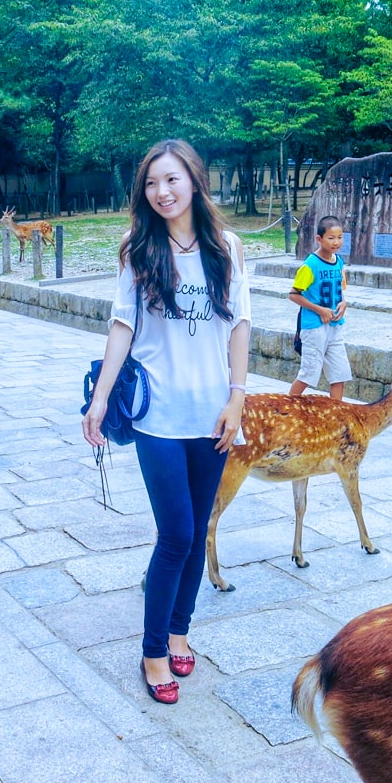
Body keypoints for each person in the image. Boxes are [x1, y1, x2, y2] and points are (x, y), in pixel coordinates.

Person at [82, 139, 251, 706]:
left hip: (214, 416)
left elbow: (240, 327)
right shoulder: (137, 247)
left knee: (198, 530)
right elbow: (121, 327)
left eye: (172, 180)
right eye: (152, 183)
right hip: (157, 416)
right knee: (176, 533)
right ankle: (154, 649)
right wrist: (100, 399)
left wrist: (238, 398)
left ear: (194, 182)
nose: (162, 192)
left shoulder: (226, 247)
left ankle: (181, 630)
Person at [288, 215, 350, 400]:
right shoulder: (310, 265)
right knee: (309, 373)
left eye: (340, 237)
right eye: (331, 238)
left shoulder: (339, 262)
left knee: (339, 374)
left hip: (336, 326)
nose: (336, 242)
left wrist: (344, 303)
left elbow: (341, 290)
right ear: (319, 239)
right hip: (314, 327)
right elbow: (293, 294)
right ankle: (287, 409)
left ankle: (335, 418)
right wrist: (319, 310)